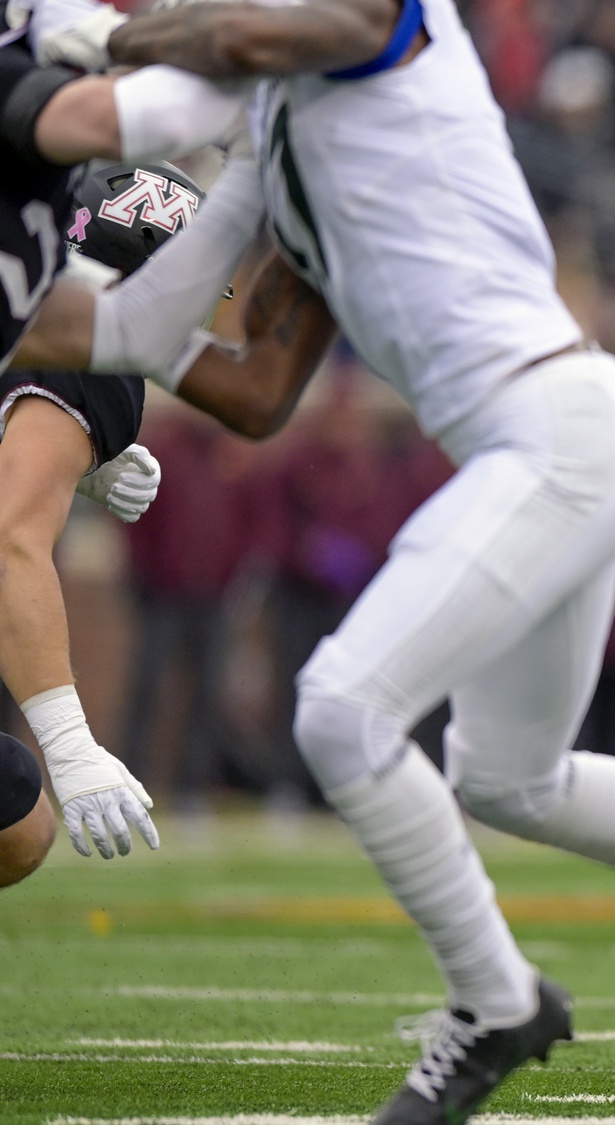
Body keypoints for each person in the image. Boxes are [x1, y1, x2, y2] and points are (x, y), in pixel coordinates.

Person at [39, 0, 615, 1116]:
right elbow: (217, 368)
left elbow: (266, 36)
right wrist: (27, 300)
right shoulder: (275, 134)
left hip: (557, 430)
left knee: (340, 714)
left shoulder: (376, 26)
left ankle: (495, 1001)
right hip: (554, 440)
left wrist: (97, 40)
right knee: (510, 779)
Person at [0, 10, 284, 885]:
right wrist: (73, 742)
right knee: (20, 818)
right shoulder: (95, 354)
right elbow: (11, 537)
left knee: (14, 813)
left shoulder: (32, 265)